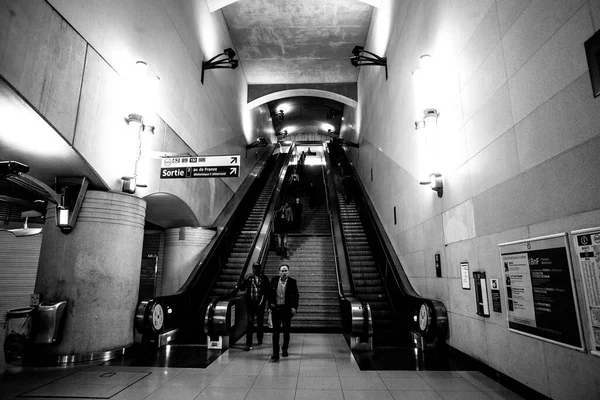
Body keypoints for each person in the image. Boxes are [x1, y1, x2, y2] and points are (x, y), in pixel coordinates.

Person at [231, 262, 273, 350]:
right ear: (252, 268)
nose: (256, 270)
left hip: (260, 303)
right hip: (250, 304)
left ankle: (260, 340)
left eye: (258, 268)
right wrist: (247, 280)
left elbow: (268, 291)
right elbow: (242, 288)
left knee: (260, 323)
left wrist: (268, 303)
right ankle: (248, 343)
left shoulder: (264, 278)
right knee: (250, 323)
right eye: (255, 268)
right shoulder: (249, 277)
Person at [269, 264, 299, 361]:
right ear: (279, 272)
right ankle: (275, 353)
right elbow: (269, 293)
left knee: (286, 331)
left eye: (286, 271)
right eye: (282, 271)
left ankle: (285, 349)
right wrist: (270, 305)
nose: (284, 273)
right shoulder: (273, 280)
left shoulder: (292, 282)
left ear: (288, 272)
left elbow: (296, 295)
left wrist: (294, 307)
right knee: (275, 332)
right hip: (276, 309)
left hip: (286, 310)